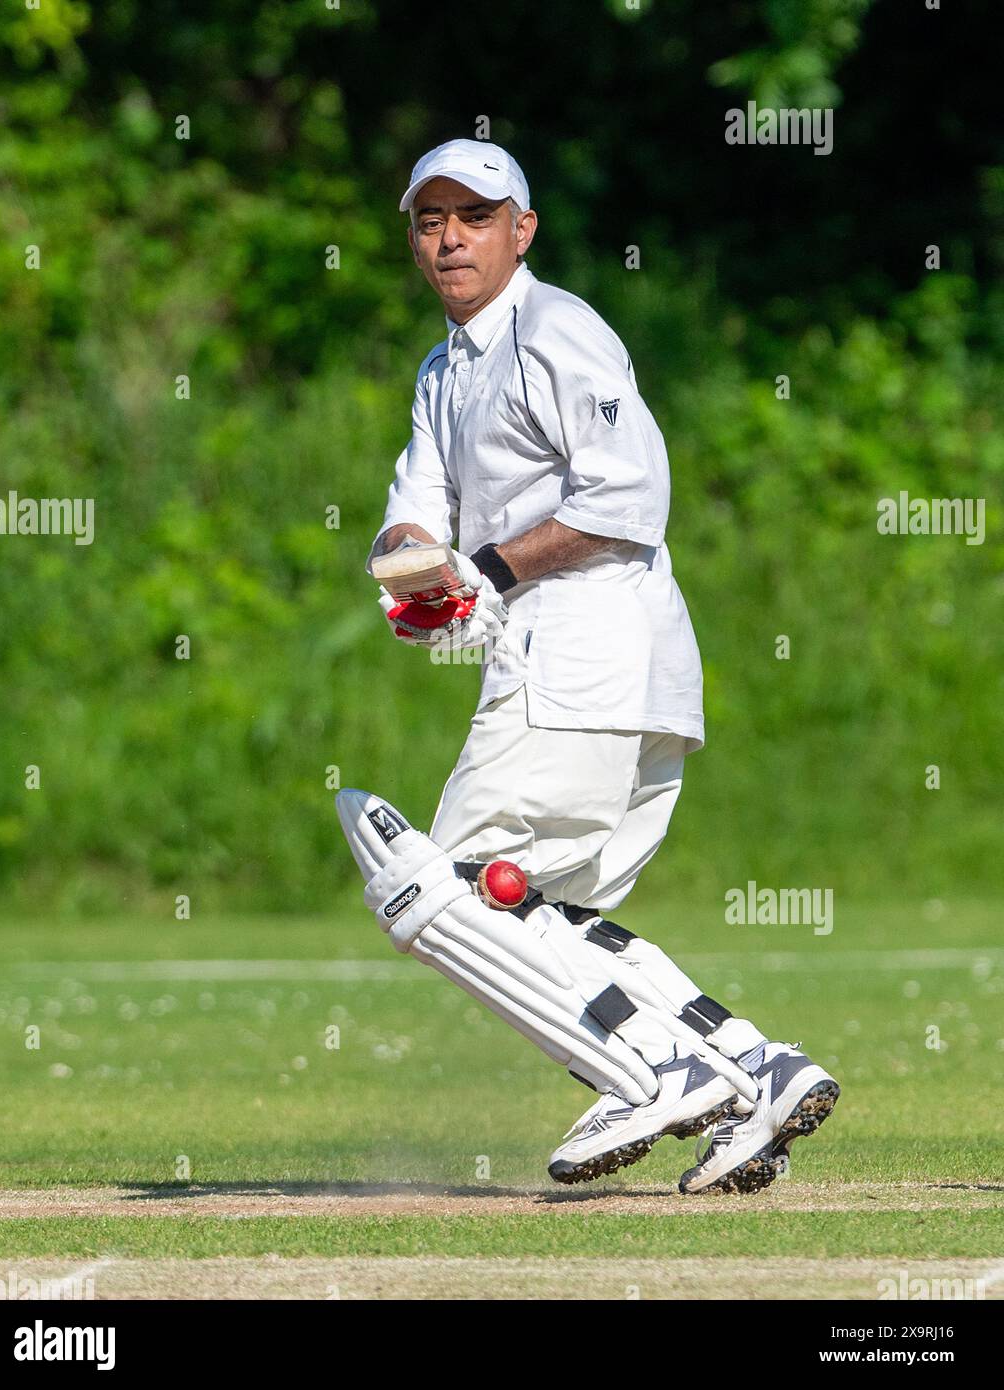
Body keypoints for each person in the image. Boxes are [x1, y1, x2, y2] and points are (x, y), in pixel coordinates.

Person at [338, 138, 838, 1193]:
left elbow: (625, 503)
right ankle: (750, 1067)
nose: (448, 238)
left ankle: (650, 1070)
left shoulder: (556, 331)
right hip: (608, 669)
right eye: (429, 220)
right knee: (531, 911)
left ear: (521, 230)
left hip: (585, 652)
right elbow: (413, 518)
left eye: (473, 217)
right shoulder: (446, 370)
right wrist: (417, 580)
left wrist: (481, 569)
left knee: (440, 895)